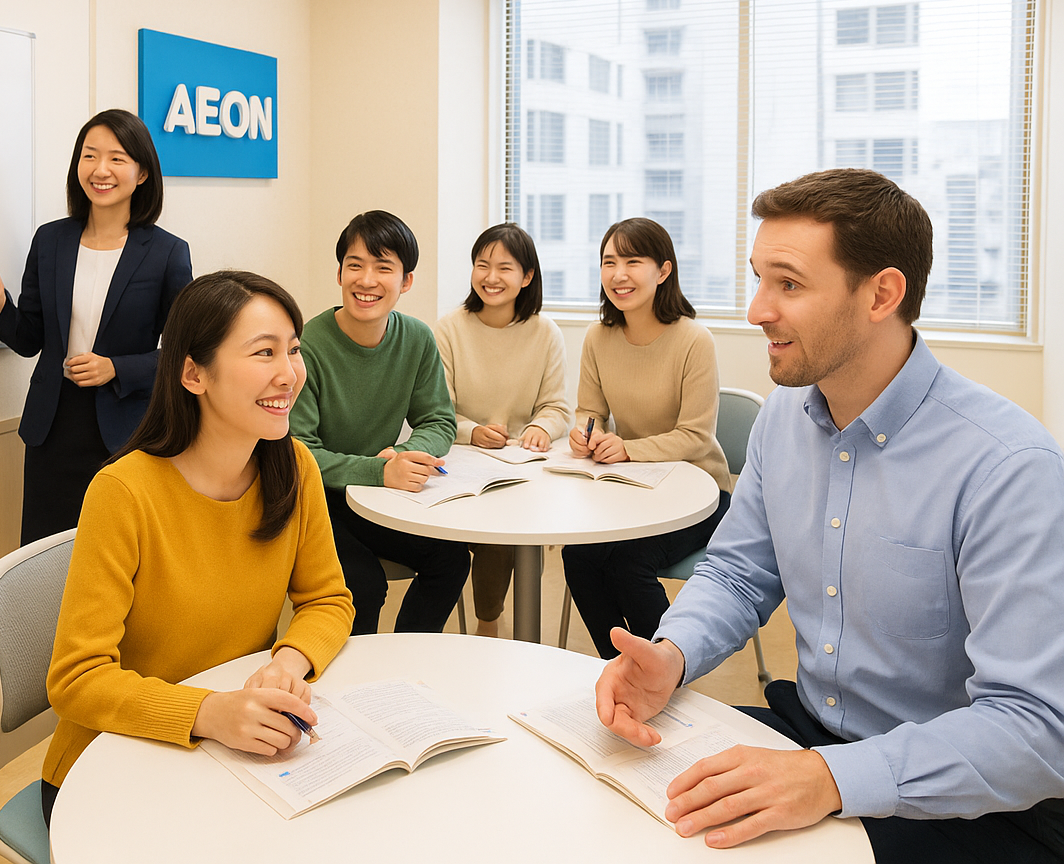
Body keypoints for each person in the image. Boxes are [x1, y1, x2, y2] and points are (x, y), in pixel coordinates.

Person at [595, 169, 1064, 862]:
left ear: (882, 294)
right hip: (809, 733)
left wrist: (828, 779)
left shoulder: (1007, 467)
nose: (756, 311)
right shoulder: (785, 415)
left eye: (787, 284)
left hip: (965, 802)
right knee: (614, 805)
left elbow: (1035, 731)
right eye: (758, 279)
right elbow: (738, 571)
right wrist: (673, 655)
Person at [40, 270, 355, 827]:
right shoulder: (124, 492)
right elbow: (77, 679)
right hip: (111, 765)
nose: (290, 375)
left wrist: (289, 662)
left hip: (233, 749)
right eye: (264, 353)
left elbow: (328, 600)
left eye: (294, 351)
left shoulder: (294, 468)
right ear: (192, 373)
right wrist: (209, 712)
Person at [0, 109, 192, 545]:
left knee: (114, 555)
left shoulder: (167, 253)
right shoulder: (50, 240)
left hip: (127, 432)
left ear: (142, 172)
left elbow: (186, 354)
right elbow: (30, 339)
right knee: (41, 557)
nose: (100, 170)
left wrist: (117, 368)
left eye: (117, 158)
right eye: (89, 156)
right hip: (52, 429)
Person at [562, 217, 732, 660]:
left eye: (633, 261)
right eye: (609, 261)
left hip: (699, 493)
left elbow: (696, 436)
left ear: (663, 271)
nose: (619, 274)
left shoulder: (694, 340)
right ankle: (617, 666)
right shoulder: (599, 337)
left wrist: (628, 448)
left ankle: (667, 673)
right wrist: (587, 435)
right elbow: (590, 412)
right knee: (578, 558)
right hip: (633, 490)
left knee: (627, 564)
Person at [289, 210, 466, 636]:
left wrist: (403, 454)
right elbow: (298, 450)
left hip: (376, 497)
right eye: (355, 265)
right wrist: (378, 470)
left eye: (383, 267)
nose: (366, 280)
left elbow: (439, 418)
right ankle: (348, 689)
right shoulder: (306, 346)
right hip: (317, 502)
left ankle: (403, 664)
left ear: (406, 280)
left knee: (452, 559)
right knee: (362, 586)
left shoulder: (418, 338)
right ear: (339, 274)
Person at [435, 222, 569, 638]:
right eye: (482, 265)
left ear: (527, 276)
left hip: (522, 465)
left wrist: (541, 428)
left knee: (509, 518)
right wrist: (473, 431)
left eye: (505, 268)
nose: (491, 277)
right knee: (489, 522)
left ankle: (488, 620)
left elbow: (557, 406)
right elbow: (437, 410)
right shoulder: (449, 329)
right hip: (460, 461)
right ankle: (489, 621)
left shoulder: (545, 333)